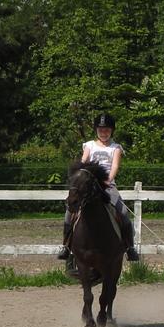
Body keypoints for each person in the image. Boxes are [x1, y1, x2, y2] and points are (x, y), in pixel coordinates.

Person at [58, 112, 140, 262]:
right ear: (96, 130)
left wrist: (108, 180)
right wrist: (79, 177)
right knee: (70, 212)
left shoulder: (115, 148)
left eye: (107, 130)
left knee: (123, 212)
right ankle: (66, 246)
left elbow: (114, 165)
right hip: (88, 185)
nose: (104, 133)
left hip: (107, 185)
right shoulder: (89, 145)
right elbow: (83, 161)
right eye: (101, 130)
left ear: (111, 131)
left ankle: (130, 248)